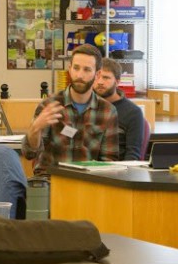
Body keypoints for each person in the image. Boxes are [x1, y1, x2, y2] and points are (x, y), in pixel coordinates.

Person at [21, 44, 119, 176]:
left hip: (89, 184)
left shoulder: (108, 111)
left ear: (97, 74)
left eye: (87, 70)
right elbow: (29, 153)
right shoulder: (49, 105)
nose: (80, 75)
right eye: (76, 68)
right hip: (50, 181)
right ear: (69, 69)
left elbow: (109, 161)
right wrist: (35, 129)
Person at [95, 58, 145, 160]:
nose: (100, 82)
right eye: (97, 77)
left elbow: (132, 156)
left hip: (116, 171)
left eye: (106, 78)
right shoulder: (86, 106)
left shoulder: (133, 113)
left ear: (117, 82)